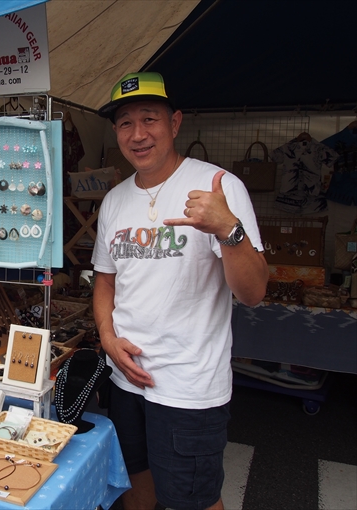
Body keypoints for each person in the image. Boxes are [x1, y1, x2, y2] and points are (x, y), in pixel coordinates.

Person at [92, 73, 268, 510]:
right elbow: (105, 279)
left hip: (188, 384)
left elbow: (253, 293)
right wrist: (107, 338)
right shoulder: (114, 200)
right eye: (125, 123)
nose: (138, 134)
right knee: (134, 484)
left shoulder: (219, 188)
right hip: (125, 377)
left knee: (194, 500)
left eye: (149, 118)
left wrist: (227, 229)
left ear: (175, 123)